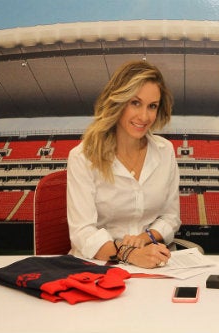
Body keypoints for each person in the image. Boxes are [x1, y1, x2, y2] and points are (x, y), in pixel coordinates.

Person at [67, 60, 180, 269]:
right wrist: (130, 254)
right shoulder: (82, 157)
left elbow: (171, 217)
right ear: (118, 101)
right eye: (135, 103)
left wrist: (144, 238)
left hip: (153, 259)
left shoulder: (166, 151)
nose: (144, 116)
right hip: (99, 266)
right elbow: (83, 232)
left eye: (152, 106)